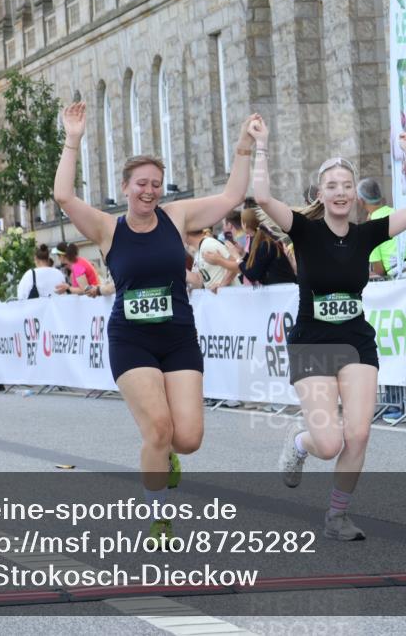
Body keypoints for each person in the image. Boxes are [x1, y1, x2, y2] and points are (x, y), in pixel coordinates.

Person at [53, 102, 257, 545]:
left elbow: (230, 198)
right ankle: (159, 515)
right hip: (131, 341)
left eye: (156, 185)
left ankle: (167, 457)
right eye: (141, 184)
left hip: (179, 337)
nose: (149, 191)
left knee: (187, 439)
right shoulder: (107, 228)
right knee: (158, 429)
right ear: (125, 187)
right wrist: (73, 139)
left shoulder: (177, 217)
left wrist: (245, 146)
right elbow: (64, 197)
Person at [254, 118, 406, 541]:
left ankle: (337, 515)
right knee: (329, 442)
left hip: (356, 342)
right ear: (321, 194)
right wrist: (261, 145)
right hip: (312, 344)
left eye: (345, 185)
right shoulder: (304, 230)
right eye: (331, 185)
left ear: (355, 194)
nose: (339, 192)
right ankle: (301, 443)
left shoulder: (367, 233)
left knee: (359, 433)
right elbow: (261, 196)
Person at [202, 207, 296, 285]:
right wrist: (242, 254)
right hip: (279, 288)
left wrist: (236, 256)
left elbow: (252, 274)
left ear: (245, 224)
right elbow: (253, 264)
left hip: (283, 289)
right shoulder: (257, 240)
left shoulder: (264, 243)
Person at [355, 178, 406, 278]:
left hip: (404, 278)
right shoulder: (399, 212)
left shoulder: (369, 228)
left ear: (361, 201)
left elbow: (379, 271)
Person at [184, 229, 238, 293]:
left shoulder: (208, 244)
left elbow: (236, 263)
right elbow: (199, 281)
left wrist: (222, 285)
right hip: (219, 298)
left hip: (230, 296)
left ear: (187, 234)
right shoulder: (198, 251)